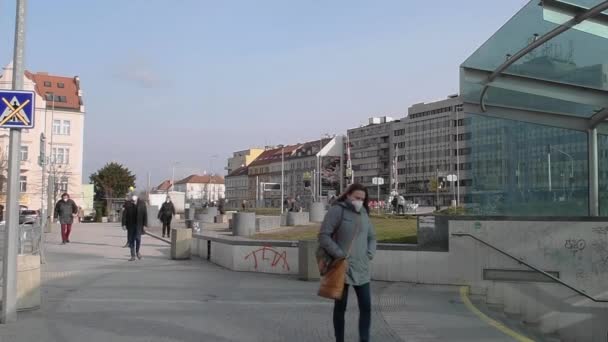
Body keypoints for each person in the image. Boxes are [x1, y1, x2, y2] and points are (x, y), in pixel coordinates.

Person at [318, 183, 377, 342]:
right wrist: (339, 255)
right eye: (357, 197)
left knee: (366, 307)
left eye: (362, 199)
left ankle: (364, 339)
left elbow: (372, 237)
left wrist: (369, 254)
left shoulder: (364, 212)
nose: (359, 201)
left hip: (361, 268)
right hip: (341, 268)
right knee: (340, 308)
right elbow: (324, 236)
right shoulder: (337, 210)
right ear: (348, 195)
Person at [122, 194, 148, 261]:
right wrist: (123, 224)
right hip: (130, 225)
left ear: (137, 199)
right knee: (131, 240)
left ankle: (137, 252)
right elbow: (124, 215)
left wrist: (145, 225)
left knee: (138, 239)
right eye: (132, 200)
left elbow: (145, 214)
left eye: (134, 201)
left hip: (139, 225)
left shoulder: (142, 204)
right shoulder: (128, 204)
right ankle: (132, 256)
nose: (133, 201)